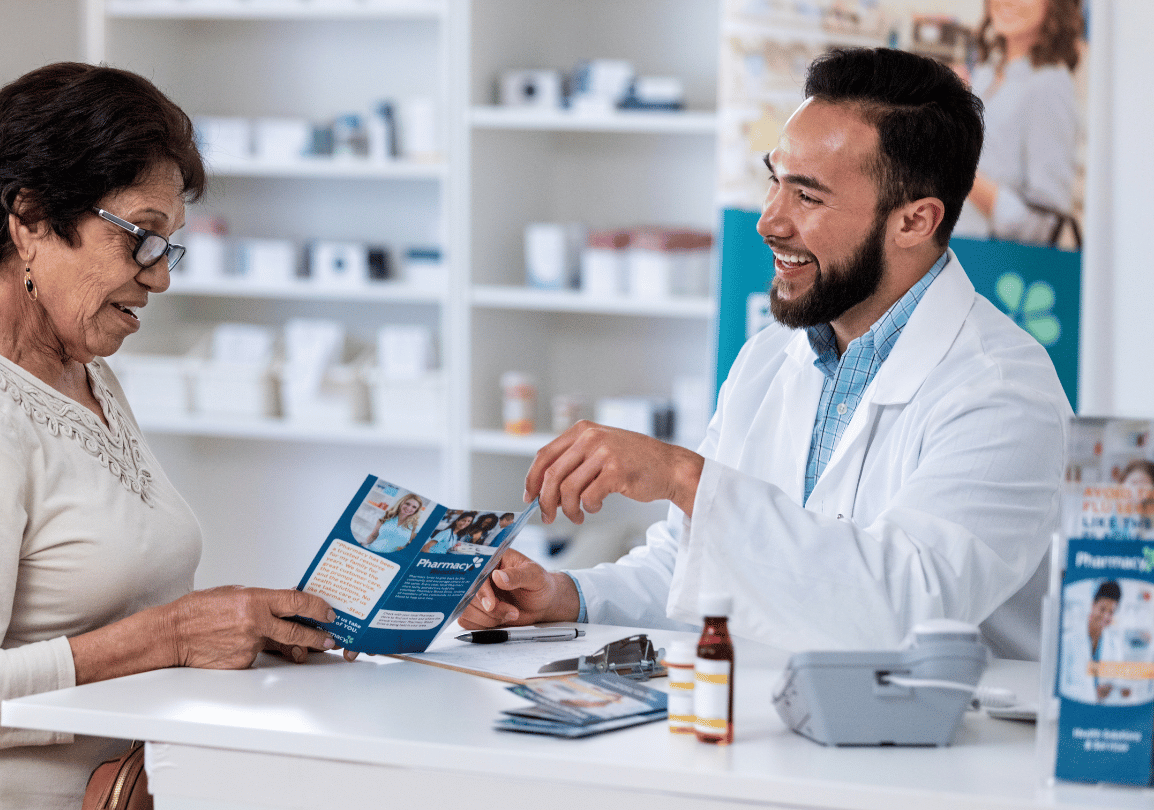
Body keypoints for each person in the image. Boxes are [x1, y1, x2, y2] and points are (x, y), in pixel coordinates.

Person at [458, 47, 1072, 660]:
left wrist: (682, 477)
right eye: (774, 179)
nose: (769, 220)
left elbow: (904, 612)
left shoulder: (1003, 391)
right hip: (774, 734)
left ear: (914, 222)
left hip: (941, 748)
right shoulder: (771, 357)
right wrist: (565, 597)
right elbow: (694, 568)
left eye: (808, 196)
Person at [0, 63, 338, 810]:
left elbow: (111, 604)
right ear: (31, 219)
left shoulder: (82, 369)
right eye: (142, 237)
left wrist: (245, 631)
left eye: (169, 247)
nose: (159, 276)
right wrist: (171, 637)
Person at [955, 0, 1083, 246]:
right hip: (958, 254)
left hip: (994, 268)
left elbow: (1045, 226)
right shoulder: (987, 73)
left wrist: (957, 171)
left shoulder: (1050, 85)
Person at [1060, 580, 1121, 704]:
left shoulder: (1114, 645)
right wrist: (1092, 694)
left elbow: (1116, 683)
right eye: (1102, 609)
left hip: (1104, 712)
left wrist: (1109, 689)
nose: (1106, 616)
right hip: (1076, 709)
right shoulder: (1068, 640)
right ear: (1093, 605)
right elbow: (1061, 685)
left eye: (1111, 612)